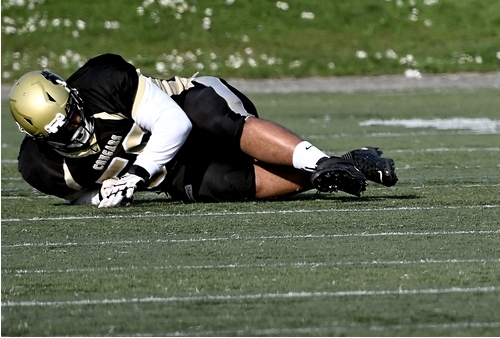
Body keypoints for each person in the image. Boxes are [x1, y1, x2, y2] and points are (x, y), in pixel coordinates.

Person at [10, 54, 395, 206]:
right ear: (38, 138)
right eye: (60, 131)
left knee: (215, 121)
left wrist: (134, 175)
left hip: (192, 106)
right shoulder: (38, 166)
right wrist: (106, 196)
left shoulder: (103, 79)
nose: (75, 127)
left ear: (73, 95)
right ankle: (341, 167)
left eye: (72, 115)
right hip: (172, 171)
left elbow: (173, 123)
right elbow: (79, 194)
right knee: (228, 185)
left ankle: (320, 160)